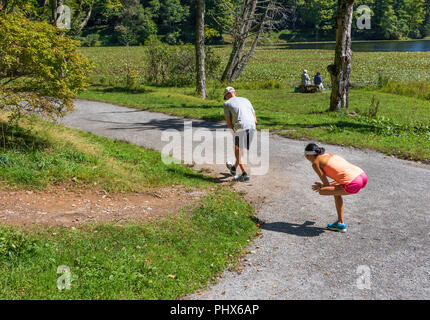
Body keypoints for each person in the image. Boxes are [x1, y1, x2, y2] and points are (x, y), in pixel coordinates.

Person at [304, 143, 368, 232]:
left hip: (353, 182)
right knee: (335, 191)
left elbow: (326, 185)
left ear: (308, 155)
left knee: (322, 191)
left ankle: (341, 223)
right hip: (362, 175)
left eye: (305, 155)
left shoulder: (316, 163)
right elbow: (339, 179)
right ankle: (340, 223)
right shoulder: (329, 155)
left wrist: (321, 186)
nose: (306, 158)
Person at [223, 86, 257, 182]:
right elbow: (255, 119)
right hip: (252, 126)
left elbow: (229, 123)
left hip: (240, 126)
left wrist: (232, 132)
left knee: (238, 150)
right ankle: (233, 168)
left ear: (226, 95)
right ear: (235, 92)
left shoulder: (227, 103)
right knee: (242, 150)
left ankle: (244, 175)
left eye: (225, 96)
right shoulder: (246, 100)